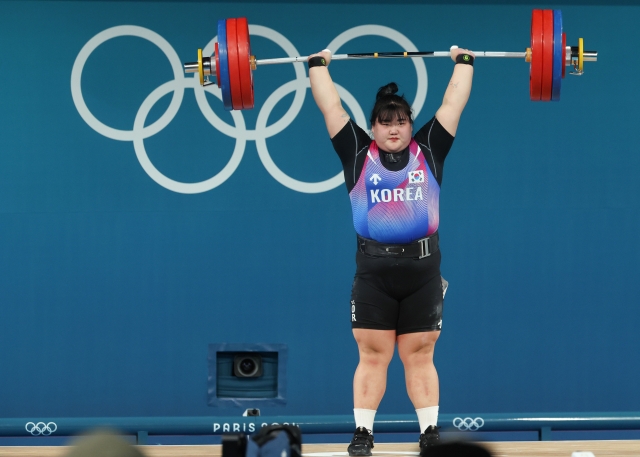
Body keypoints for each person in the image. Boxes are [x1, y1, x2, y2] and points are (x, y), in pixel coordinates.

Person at [307, 45, 474, 457]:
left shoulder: (429, 148)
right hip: (374, 271)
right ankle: (363, 433)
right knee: (372, 352)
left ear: (410, 124)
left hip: (422, 271)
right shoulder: (358, 153)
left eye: (401, 122)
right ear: (373, 127)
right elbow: (331, 108)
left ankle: (429, 432)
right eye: (385, 123)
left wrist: (464, 63)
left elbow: (453, 102)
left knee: (420, 354)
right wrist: (317, 66)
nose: (394, 129)